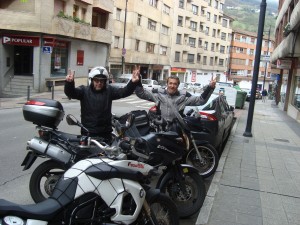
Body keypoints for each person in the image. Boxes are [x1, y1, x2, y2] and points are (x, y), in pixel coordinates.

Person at [64, 66, 140, 143]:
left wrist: (132, 83)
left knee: (108, 154)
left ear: (105, 81)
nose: (99, 83)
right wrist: (69, 83)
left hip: (105, 134)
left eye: (102, 81)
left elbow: (124, 92)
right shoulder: (84, 91)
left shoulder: (109, 90)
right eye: (97, 80)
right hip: (88, 133)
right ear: (92, 80)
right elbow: (71, 93)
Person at [135, 71, 216, 128]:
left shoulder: (184, 96)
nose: (172, 86)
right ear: (167, 84)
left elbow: (200, 100)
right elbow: (142, 94)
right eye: (170, 83)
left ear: (178, 85)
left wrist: (210, 88)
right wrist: (137, 81)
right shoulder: (159, 93)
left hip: (177, 130)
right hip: (160, 128)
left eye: (175, 84)